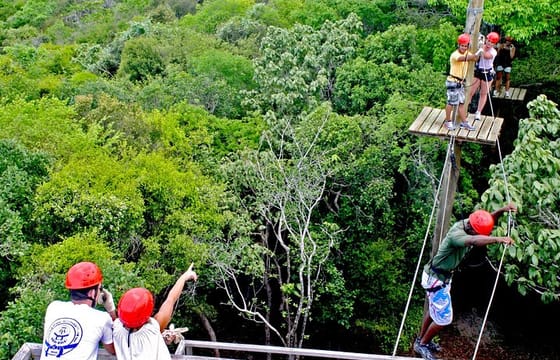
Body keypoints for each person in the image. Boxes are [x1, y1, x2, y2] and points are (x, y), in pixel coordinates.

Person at [414, 203, 516, 360]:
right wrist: (497, 239)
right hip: (436, 279)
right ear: (473, 229)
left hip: (439, 276)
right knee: (444, 319)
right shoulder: (457, 235)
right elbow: (475, 240)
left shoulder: (470, 222)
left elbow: (485, 220)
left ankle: (422, 340)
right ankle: (422, 345)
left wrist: (502, 210)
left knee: (434, 310)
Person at [113, 263, 198, 360]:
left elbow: (124, 327)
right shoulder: (152, 329)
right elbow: (171, 299)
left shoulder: (117, 330)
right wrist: (184, 277)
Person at [41, 261, 116, 359]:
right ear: (92, 293)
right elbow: (114, 349)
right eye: (100, 288)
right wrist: (111, 309)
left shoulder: (53, 307)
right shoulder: (102, 318)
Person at [444, 33, 479, 131]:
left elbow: (475, 58)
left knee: (461, 103)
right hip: (453, 81)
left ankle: (464, 122)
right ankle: (448, 121)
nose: (464, 47)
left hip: (460, 83)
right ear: (458, 45)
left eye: (465, 46)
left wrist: (479, 51)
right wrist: (472, 56)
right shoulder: (455, 55)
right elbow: (461, 59)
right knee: (451, 102)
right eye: (462, 45)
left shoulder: (468, 53)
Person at [469, 32, 499, 121]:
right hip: (479, 71)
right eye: (488, 41)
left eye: (492, 42)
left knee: (483, 93)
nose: (489, 43)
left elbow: (485, 56)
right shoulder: (482, 46)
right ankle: (465, 107)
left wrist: (481, 46)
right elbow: (476, 57)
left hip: (487, 72)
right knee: (471, 91)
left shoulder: (493, 52)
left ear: (494, 44)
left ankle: (478, 112)